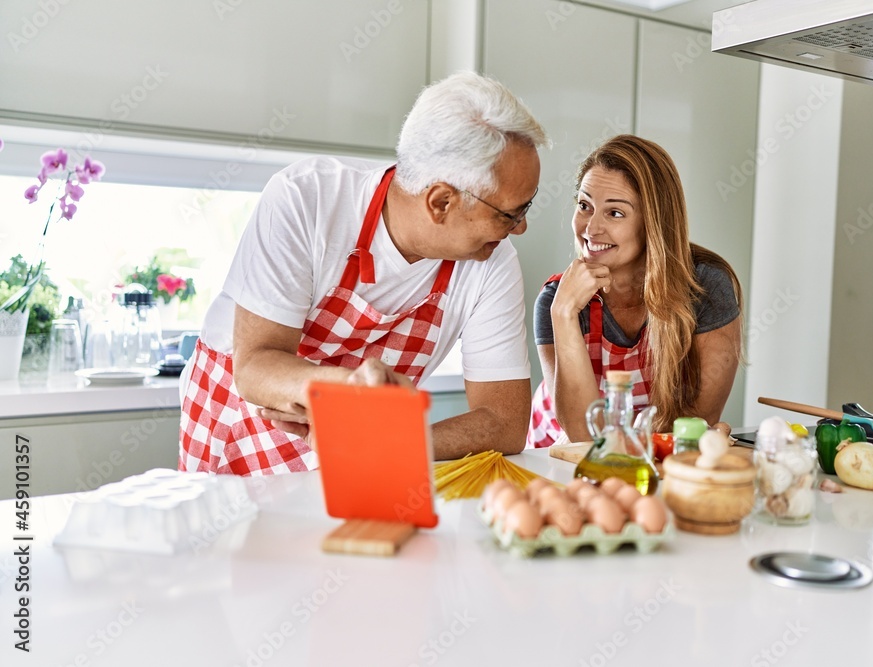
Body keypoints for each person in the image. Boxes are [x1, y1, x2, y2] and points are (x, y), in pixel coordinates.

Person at [180, 71, 549, 475]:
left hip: (363, 447)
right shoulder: (308, 199)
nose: (520, 228)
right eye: (510, 214)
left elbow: (505, 422)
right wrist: (349, 393)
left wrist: (395, 441)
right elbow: (256, 366)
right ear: (441, 202)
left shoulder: (492, 262)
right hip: (243, 422)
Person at [527, 135, 743, 448]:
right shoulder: (558, 300)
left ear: (653, 222)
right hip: (560, 464)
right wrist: (563, 315)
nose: (591, 229)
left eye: (615, 213)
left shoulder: (706, 287)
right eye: (585, 206)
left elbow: (692, 428)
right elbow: (584, 440)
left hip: (650, 465)